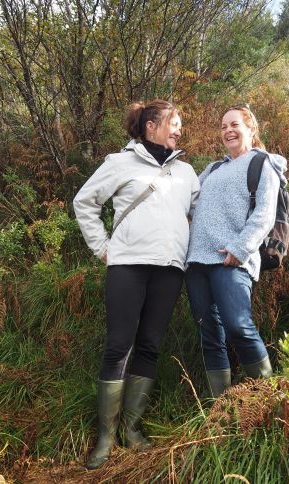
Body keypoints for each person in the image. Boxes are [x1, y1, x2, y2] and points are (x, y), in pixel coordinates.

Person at [73, 100, 200, 469]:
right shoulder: (119, 163)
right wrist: (101, 248)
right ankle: (105, 438)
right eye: (172, 123)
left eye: (180, 124)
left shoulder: (187, 172)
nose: (178, 130)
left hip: (170, 269)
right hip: (127, 266)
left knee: (149, 346)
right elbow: (85, 202)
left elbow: (199, 215)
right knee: (118, 347)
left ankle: (132, 429)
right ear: (150, 127)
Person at [185, 104, 287, 398]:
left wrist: (240, 249)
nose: (228, 131)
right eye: (223, 127)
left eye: (234, 125)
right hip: (197, 262)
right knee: (209, 334)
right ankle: (222, 407)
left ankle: (267, 401)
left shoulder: (262, 163)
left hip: (231, 260)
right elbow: (189, 205)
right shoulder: (213, 169)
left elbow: (265, 214)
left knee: (238, 327)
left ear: (251, 129)